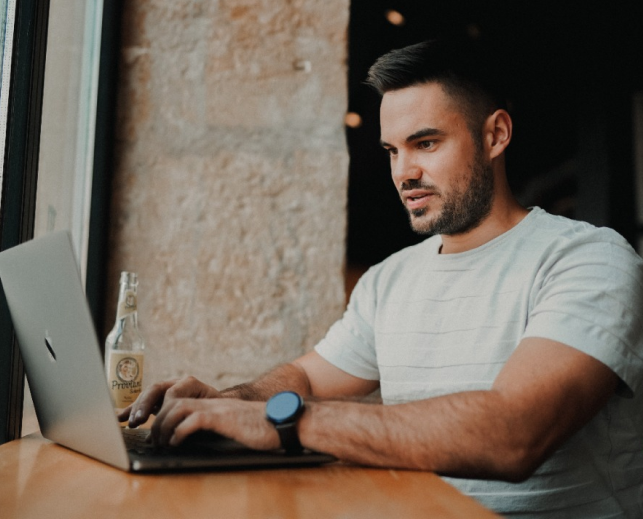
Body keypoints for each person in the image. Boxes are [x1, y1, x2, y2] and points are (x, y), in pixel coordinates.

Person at [122, 40, 643, 518]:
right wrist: (233, 401)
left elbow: (513, 435)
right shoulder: (389, 280)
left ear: (495, 135)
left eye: (425, 144)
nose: (404, 173)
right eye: (393, 151)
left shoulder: (587, 259)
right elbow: (304, 378)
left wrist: (281, 424)